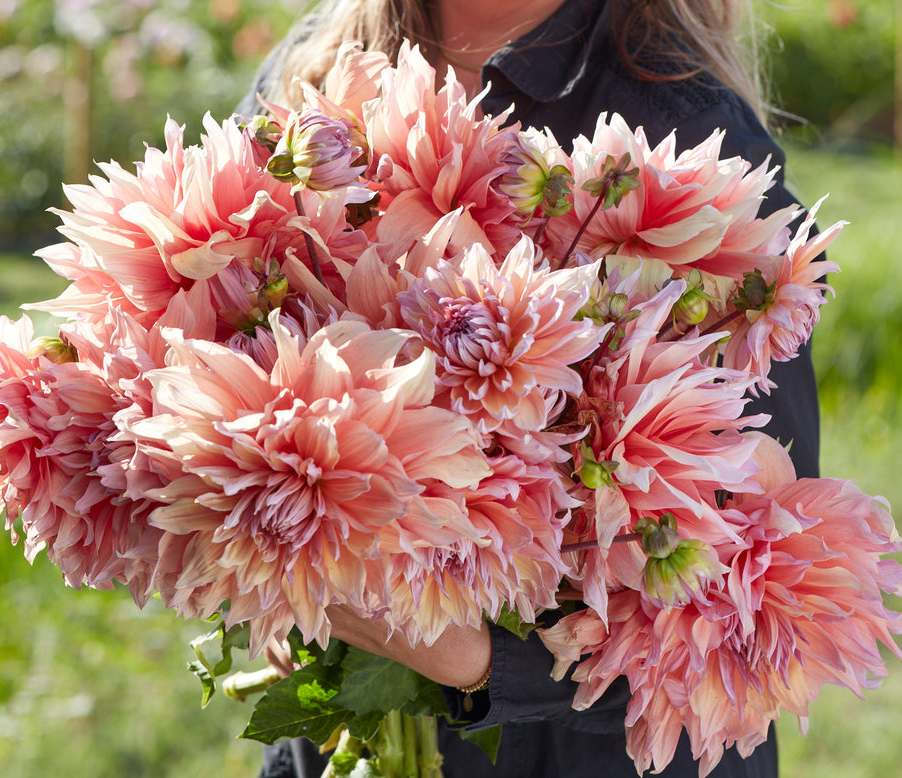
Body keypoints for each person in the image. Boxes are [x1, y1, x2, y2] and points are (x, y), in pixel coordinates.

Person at [235, 1, 820, 775]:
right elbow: (201, 363)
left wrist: (475, 660)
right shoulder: (310, 72)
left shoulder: (678, 133)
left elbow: (754, 594)